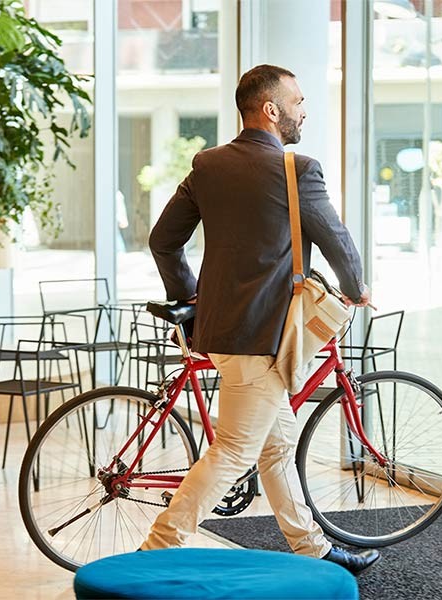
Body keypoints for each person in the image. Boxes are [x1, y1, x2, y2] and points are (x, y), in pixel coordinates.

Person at [141, 64, 379, 576]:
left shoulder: (207, 165)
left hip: (222, 331)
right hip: (265, 339)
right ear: (271, 110)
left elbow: (164, 240)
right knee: (232, 453)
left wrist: (191, 298)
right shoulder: (298, 171)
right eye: (297, 101)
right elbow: (336, 239)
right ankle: (155, 552)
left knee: (277, 445)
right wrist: (357, 290)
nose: (303, 110)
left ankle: (312, 547)